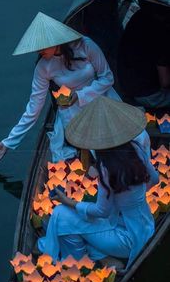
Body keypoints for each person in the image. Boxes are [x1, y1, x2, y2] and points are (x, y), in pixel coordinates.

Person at [38, 96, 159, 270]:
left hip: (126, 239)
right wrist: (132, 198)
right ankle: (97, 256)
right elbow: (154, 180)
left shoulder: (107, 168)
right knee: (72, 220)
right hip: (146, 227)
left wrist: (68, 202)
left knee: (60, 215)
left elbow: (101, 211)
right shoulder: (136, 149)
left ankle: (81, 261)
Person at [0, 12, 121, 164]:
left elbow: (107, 77)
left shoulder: (85, 45)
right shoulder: (43, 67)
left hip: (100, 97)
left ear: (56, 40)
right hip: (72, 108)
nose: (39, 50)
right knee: (93, 149)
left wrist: (81, 95)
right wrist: (10, 141)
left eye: (43, 45)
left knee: (124, 139)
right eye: (36, 47)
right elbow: (34, 107)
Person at [118, 4, 170, 108]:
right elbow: (165, 82)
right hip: (148, 95)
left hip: (125, 84)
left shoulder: (139, 16)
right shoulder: (162, 33)